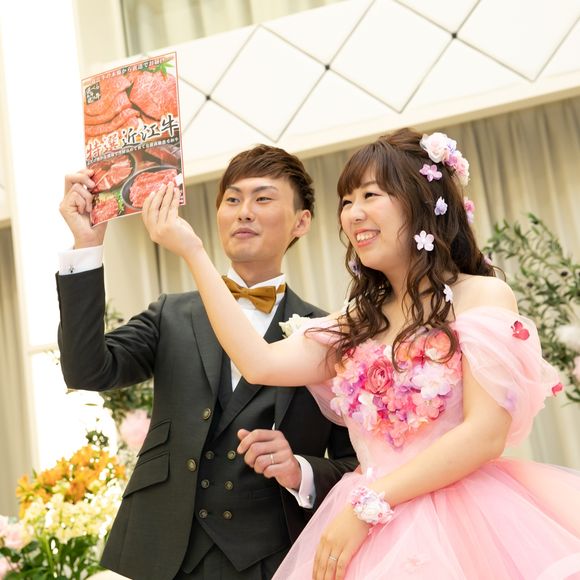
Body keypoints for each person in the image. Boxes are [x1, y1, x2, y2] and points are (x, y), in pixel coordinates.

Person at [142, 128, 580, 580]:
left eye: (370, 195)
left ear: (421, 201)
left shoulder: (482, 296)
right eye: (347, 201)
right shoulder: (357, 321)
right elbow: (259, 362)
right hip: (367, 530)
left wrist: (369, 505)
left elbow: (485, 434)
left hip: (461, 522)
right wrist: (193, 252)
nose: (353, 214)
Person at [56, 144, 358, 580]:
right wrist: (86, 245)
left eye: (263, 198)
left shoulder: (330, 335)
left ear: (302, 221)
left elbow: (357, 465)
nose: (244, 212)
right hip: (159, 554)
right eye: (232, 199)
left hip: (271, 559)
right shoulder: (171, 314)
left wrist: (301, 470)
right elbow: (87, 370)